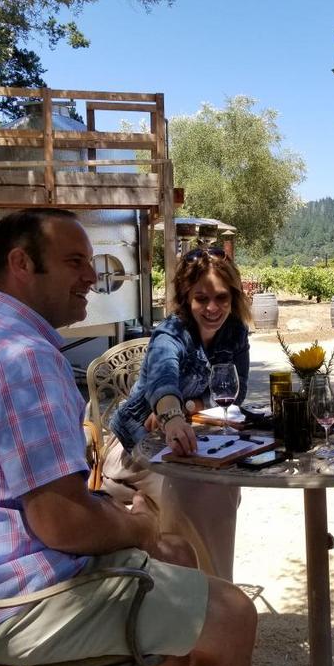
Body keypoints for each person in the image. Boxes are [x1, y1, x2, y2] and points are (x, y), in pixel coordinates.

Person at [0, 209, 256, 666]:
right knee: (233, 613)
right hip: (6, 606)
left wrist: (128, 523)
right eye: (74, 262)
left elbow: (54, 502)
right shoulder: (23, 357)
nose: (93, 275)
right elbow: (62, 522)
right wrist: (139, 525)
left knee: (177, 552)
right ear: (22, 263)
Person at [103, 245, 250, 581]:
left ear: (234, 297)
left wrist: (187, 409)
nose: (212, 308)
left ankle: (206, 586)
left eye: (222, 298)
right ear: (187, 298)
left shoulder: (235, 333)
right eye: (201, 298)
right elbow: (162, 380)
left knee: (222, 484)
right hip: (135, 447)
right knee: (198, 491)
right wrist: (172, 415)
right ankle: (205, 590)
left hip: (196, 444)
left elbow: (234, 393)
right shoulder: (170, 334)